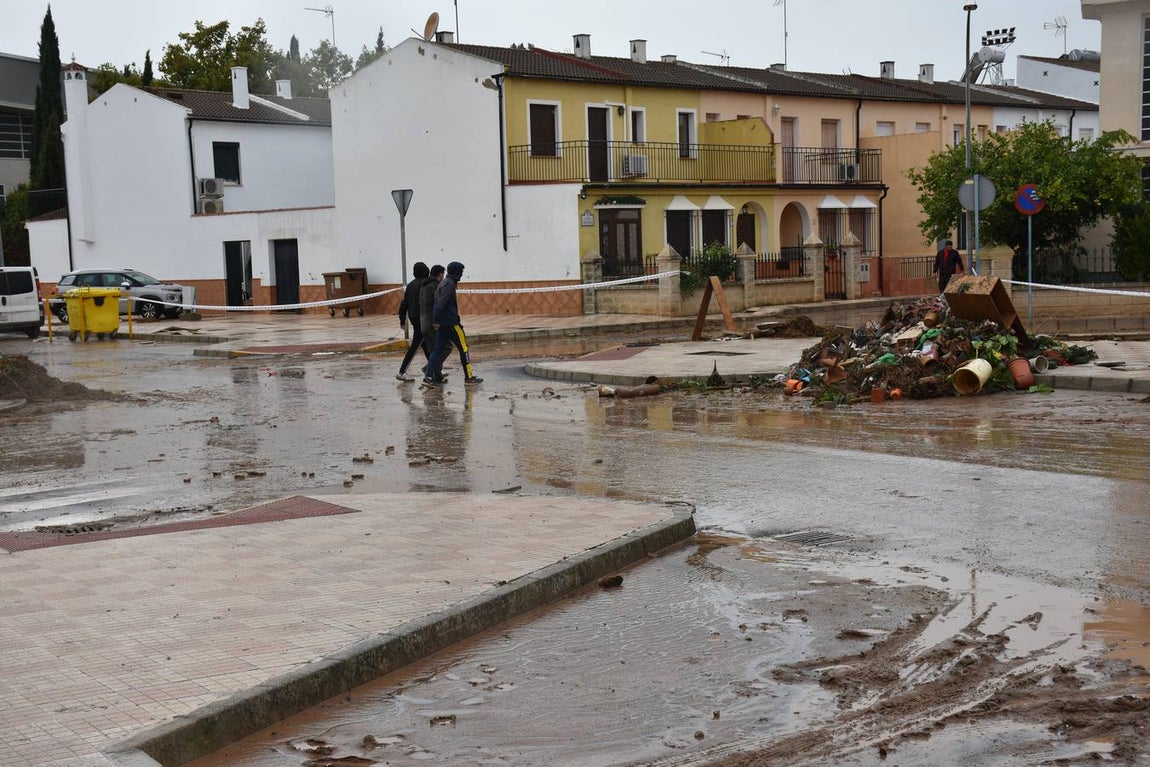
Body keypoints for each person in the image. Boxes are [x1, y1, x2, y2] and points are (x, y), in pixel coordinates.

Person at [423, 261, 482, 388]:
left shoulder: (444, 282)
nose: (461, 275)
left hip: (443, 324)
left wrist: (437, 320)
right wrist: (436, 320)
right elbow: (439, 303)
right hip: (451, 323)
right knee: (464, 348)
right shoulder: (449, 284)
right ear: (456, 272)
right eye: (460, 272)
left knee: (437, 350)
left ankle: (428, 377)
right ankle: (469, 377)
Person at [396, 262, 431, 381]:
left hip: (413, 317)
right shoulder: (426, 284)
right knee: (417, 344)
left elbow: (404, 303)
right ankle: (402, 371)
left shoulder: (410, 285)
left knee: (425, 343)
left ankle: (434, 369)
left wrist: (402, 319)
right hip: (423, 317)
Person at [419, 264, 447, 383]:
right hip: (433, 323)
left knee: (433, 351)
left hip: (423, 323)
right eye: (443, 274)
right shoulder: (435, 286)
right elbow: (438, 304)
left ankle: (436, 375)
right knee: (445, 347)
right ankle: (429, 369)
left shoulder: (423, 286)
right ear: (440, 274)